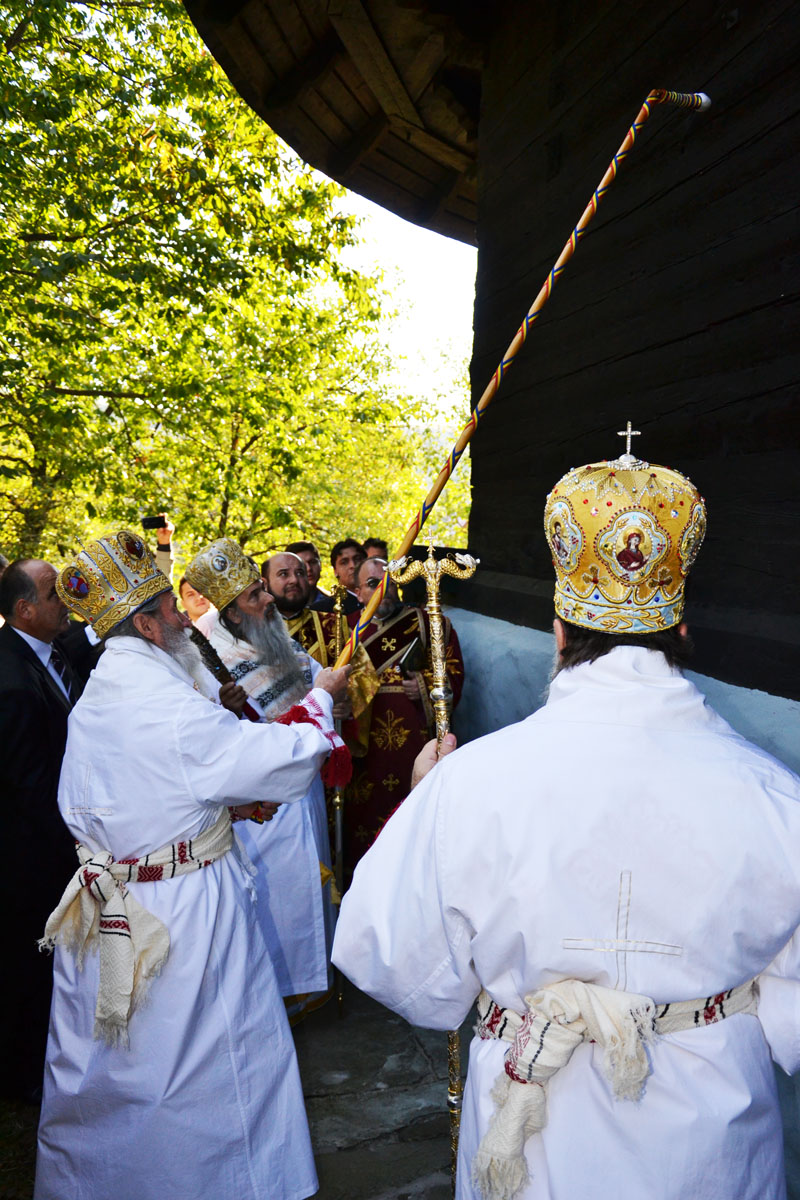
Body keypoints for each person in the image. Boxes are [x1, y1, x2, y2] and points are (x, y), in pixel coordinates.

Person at [333, 440, 800, 1200]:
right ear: (682, 634)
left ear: (558, 630)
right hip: (708, 1143)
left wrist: (423, 800)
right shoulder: (774, 793)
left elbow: (387, 957)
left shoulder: (471, 784)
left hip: (529, 1129)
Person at [36, 528, 348, 1200]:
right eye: (172, 612)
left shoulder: (106, 689)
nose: (186, 617)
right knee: (199, 1068)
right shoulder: (163, 700)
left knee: (115, 1077)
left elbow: (121, 797)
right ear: (147, 625)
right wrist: (321, 697)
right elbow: (269, 758)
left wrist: (220, 815)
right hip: (180, 918)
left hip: (114, 909)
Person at [187, 540, 344, 1011]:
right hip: (261, 809)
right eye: (257, 595)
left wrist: (330, 690)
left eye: (261, 590)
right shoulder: (203, 651)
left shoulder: (274, 633)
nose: (269, 600)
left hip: (303, 788)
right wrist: (224, 706)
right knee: (274, 897)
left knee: (309, 887)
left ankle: (313, 985)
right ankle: (276, 997)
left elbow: (315, 680)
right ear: (233, 614)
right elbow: (199, 731)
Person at [0, 559, 80, 1103]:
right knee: (29, 967)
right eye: (54, 595)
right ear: (24, 610)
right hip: (31, 856)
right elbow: (27, 783)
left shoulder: (59, 654)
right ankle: (25, 1076)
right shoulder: (8, 678)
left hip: (59, 844)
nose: (65, 602)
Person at [345, 556, 463, 871]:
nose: (385, 589)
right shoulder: (345, 631)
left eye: (391, 582)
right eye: (373, 583)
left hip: (415, 749)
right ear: (358, 593)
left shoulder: (429, 623)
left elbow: (453, 674)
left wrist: (423, 686)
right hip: (364, 754)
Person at [286, 539, 333, 611]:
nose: (309, 568)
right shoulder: (280, 605)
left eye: (313, 562)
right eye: (302, 564)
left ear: (320, 565)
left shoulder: (333, 604)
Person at [330, 537, 366, 614]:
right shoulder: (324, 609)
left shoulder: (382, 599)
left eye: (357, 559)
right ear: (335, 571)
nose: (352, 565)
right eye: (344, 562)